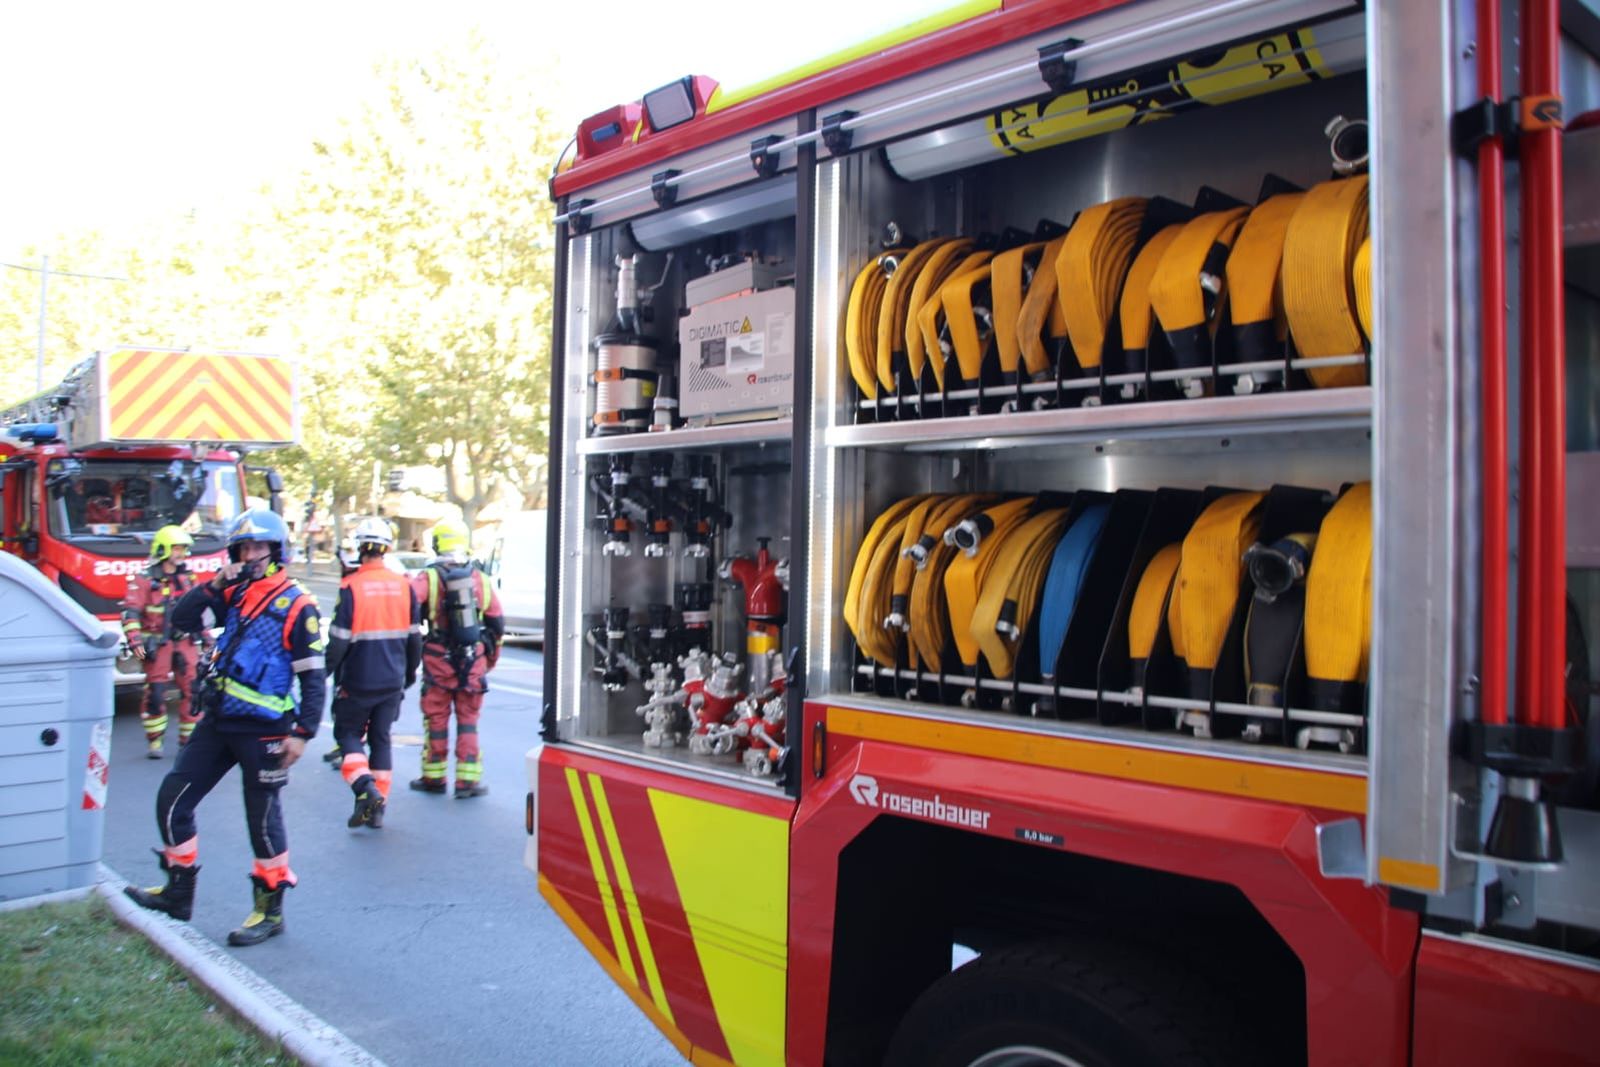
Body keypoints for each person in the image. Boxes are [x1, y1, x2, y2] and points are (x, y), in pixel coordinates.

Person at [123, 508, 326, 947]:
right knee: (172, 799)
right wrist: (216, 584)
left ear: (276, 551)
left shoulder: (298, 604)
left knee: (263, 821)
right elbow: (181, 619)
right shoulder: (232, 594)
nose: (250, 555)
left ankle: (269, 911)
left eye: (259, 547)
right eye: (244, 547)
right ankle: (179, 893)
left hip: (268, 731)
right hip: (219, 721)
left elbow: (313, 676)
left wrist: (303, 733)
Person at [324, 517, 421, 829]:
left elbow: (338, 642)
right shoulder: (405, 586)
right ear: (387, 548)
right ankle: (377, 809)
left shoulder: (351, 587)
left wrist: (323, 673)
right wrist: (408, 674)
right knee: (381, 740)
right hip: (392, 679)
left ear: (359, 548)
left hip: (357, 680)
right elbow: (414, 638)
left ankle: (364, 788)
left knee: (348, 734)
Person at [410, 518, 503, 798]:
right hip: (472, 661)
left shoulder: (428, 577)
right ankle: (468, 781)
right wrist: (488, 660)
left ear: (436, 544)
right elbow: (497, 624)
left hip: (438, 660)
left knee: (436, 720)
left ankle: (433, 777)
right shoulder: (481, 580)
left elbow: (407, 608)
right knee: (469, 721)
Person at [120, 525, 203, 758]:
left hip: (185, 643)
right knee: (156, 692)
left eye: (184, 548)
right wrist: (136, 642)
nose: (181, 553)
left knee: (194, 691)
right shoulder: (144, 579)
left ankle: (189, 742)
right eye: (177, 548)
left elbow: (198, 611)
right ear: (163, 549)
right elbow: (131, 613)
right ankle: (155, 742)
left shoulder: (188, 578)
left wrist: (206, 639)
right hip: (159, 645)